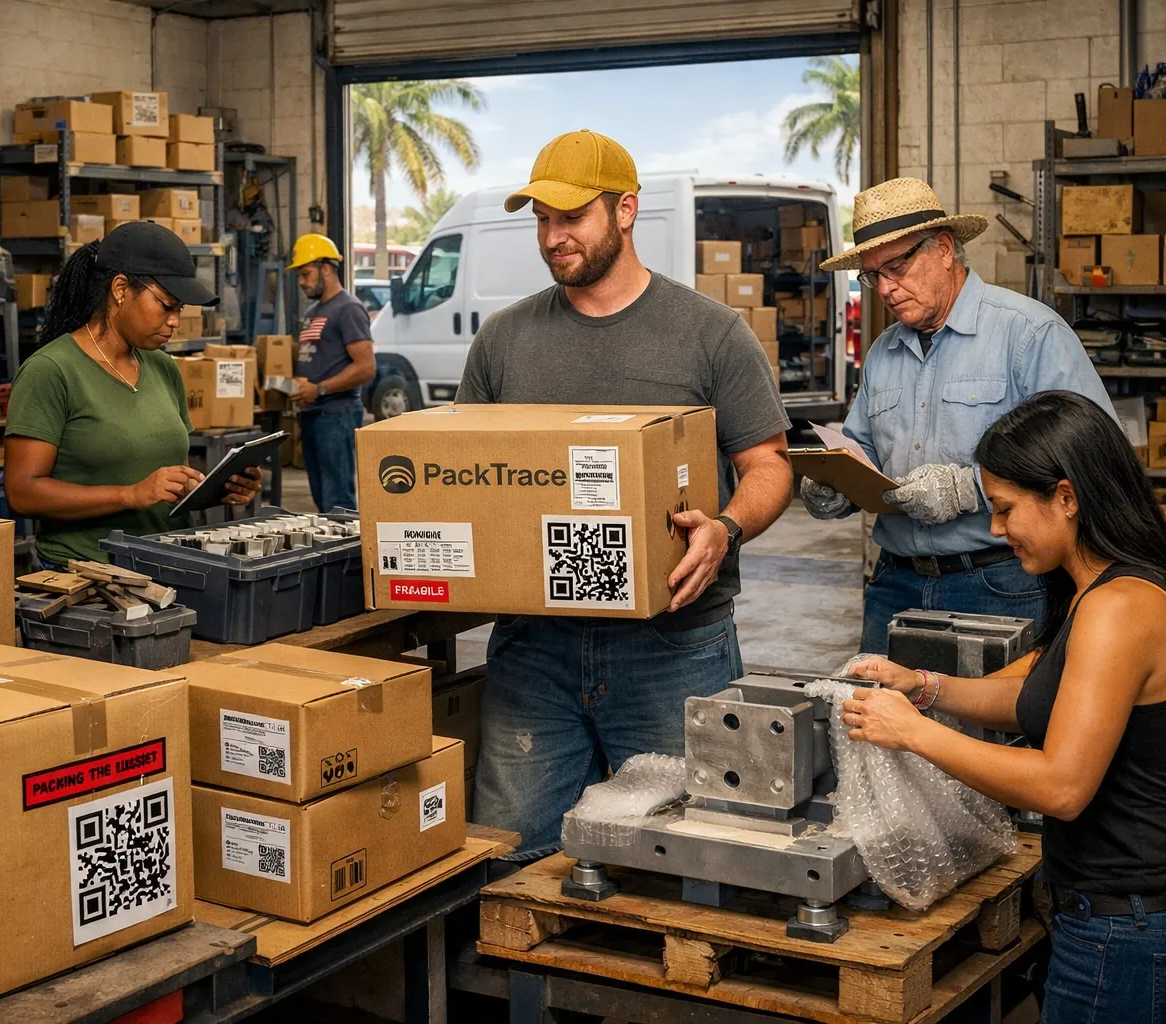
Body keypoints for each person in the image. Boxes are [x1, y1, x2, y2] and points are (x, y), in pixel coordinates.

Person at [455, 129, 794, 861]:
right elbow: (463, 477)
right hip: (534, 647)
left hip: (672, 643)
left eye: (572, 217)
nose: (553, 237)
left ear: (627, 210)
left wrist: (727, 528)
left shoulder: (709, 334)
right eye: (542, 220)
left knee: (690, 852)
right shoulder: (503, 341)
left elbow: (769, 464)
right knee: (511, 856)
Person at [841, 391, 1166, 1023]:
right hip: (1103, 913)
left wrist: (914, 735)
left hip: (1123, 927)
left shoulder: (1118, 609)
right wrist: (922, 687)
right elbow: (1035, 698)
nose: (995, 530)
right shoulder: (1100, 588)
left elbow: (1061, 786)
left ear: (1066, 498)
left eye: (1005, 509)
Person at [804, 177, 1113, 653]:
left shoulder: (1028, 334)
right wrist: (836, 480)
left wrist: (971, 489)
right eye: (872, 276)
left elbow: (1093, 456)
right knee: (879, 703)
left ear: (945, 249)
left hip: (1000, 580)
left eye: (896, 267)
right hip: (895, 583)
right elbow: (863, 446)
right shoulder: (884, 352)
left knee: (996, 705)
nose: (885, 288)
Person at [4, 222, 260, 569]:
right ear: (121, 289)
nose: (175, 321)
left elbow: (173, 476)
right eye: (166, 305)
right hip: (87, 574)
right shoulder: (51, 371)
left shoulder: (163, 367)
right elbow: (22, 493)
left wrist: (215, 488)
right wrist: (130, 495)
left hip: (168, 565)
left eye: (180, 309)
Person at [287, 233, 375, 513]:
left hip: (336, 414)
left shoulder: (348, 309)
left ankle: (346, 545)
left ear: (326, 268)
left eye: (306, 274)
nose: (302, 282)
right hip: (313, 414)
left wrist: (320, 388)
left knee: (338, 502)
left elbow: (366, 367)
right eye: (299, 276)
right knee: (321, 499)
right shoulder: (314, 311)